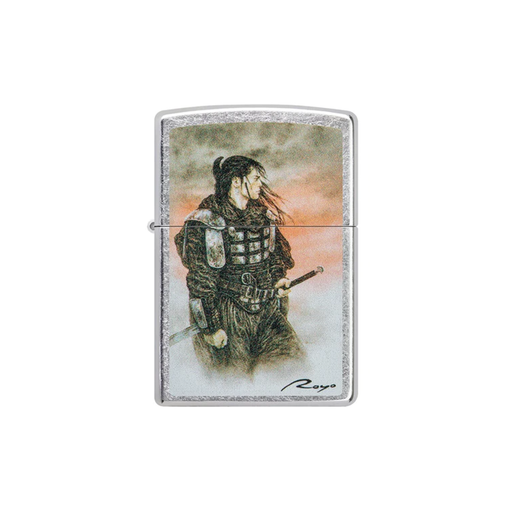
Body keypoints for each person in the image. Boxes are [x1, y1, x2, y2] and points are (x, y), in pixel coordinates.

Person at [174, 155, 304, 374]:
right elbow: (201, 278)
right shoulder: (207, 221)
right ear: (236, 181)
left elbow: (274, 255)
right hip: (227, 314)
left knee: (294, 365)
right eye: (255, 178)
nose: (260, 184)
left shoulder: (262, 217)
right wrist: (211, 327)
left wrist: (277, 278)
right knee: (234, 379)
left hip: (267, 311)